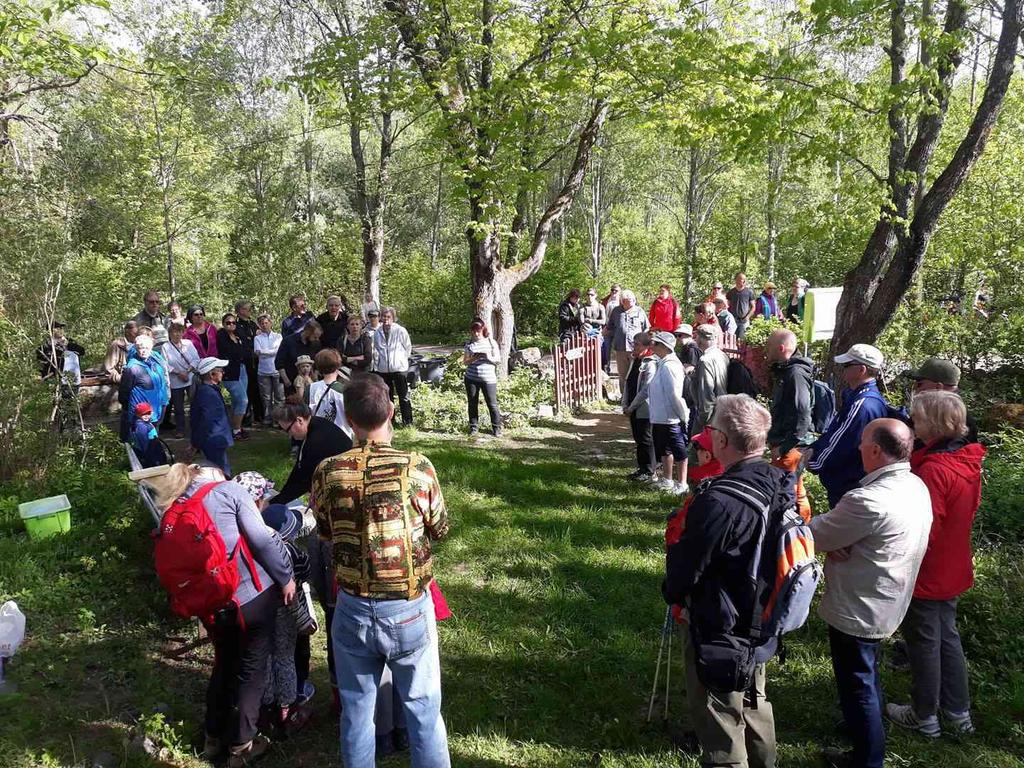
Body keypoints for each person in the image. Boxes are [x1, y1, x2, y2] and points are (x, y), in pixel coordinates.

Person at [310, 374, 451, 768]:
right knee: (423, 711)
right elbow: (440, 528)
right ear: (391, 411)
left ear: (349, 420)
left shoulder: (327, 470)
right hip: (407, 607)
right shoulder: (416, 467)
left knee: (356, 714)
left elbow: (324, 532)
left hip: (352, 607)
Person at [663, 395, 790, 768]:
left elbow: (687, 570)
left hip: (721, 622)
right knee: (754, 699)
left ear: (720, 438)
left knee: (719, 714)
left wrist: (673, 593)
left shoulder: (718, 500)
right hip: (762, 614)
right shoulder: (778, 479)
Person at [143, 463, 295, 767]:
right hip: (249, 598)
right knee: (252, 671)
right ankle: (241, 748)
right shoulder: (230, 492)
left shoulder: (175, 505)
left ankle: (213, 737)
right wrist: (286, 577)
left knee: (225, 663)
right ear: (214, 476)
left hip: (209, 601)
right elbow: (262, 540)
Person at [809, 419, 932, 768]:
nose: (858, 447)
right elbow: (844, 537)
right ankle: (863, 729)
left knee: (858, 684)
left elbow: (814, 534)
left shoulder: (868, 500)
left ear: (876, 450)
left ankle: (867, 758)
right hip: (888, 599)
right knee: (866, 674)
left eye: (862, 442)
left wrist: (832, 543)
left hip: (860, 607)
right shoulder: (914, 485)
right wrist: (840, 544)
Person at [885, 392, 984, 738]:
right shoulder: (966, 459)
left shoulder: (934, 469)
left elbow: (925, 524)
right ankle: (958, 712)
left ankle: (924, 714)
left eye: (918, 418)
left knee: (923, 641)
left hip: (929, 567)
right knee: (947, 637)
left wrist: (898, 559)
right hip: (954, 561)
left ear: (934, 423)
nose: (913, 423)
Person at [806, 344, 892, 507]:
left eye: (847, 365)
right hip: (849, 483)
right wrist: (815, 447)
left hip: (850, 484)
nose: (843, 369)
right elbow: (835, 431)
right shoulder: (859, 398)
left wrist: (814, 461)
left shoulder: (863, 404)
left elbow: (842, 442)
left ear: (862, 369)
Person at [765, 328, 814, 521]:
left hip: (791, 447)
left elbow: (803, 414)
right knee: (794, 487)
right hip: (785, 444)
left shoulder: (795, 374)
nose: (766, 351)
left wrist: (784, 448)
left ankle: (799, 531)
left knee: (790, 491)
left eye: (769, 346)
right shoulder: (786, 371)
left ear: (781, 348)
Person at [273, 402, 353, 506]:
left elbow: (303, 482)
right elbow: (300, 468)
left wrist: (273, 503)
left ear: (299, 420)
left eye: (288, 430)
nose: (289, 435)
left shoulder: (316, 441)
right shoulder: (314, 424)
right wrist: (280, 496)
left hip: (345, 489)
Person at [648, 331, 690, 492]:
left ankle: (682, 483)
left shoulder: (670, 365)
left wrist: (682, 416)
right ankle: (667, 479)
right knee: (664, 449)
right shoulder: (662, 363)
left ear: (664, 347)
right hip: (660, 417)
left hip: (671, 417)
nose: (652, 346)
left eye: (655, 344)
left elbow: (674, 394)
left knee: (678, 450)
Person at [905, 358, 979, 443]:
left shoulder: (964, 425)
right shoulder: (961, 419)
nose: (915, 389)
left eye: (919, 384)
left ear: (938, 387)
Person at [118, 334, 169, 443]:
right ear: (136, 349)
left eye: (146, 348)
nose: (143, 351)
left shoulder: (156, 363)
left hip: (157, 409)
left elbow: (162, 384)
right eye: (140, 348)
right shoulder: (132, 368)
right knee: (140, 442)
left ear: (151, 348)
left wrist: (164, 402)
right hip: (141, 414)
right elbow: (123, 394)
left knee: (154, 438)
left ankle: (154, 455)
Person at [622, 332, 658, 482]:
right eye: (633, 343)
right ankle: (642, 468)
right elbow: (628, 381)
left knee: (645, 438)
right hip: (632, 405)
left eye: (637, 344)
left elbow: (646, 389)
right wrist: (625, 403)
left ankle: (650, 470)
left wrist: (632, 406)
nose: (634, 346)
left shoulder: (650, 363)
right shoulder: (635, 360)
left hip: (644, 408)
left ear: (646, 346)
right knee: (638, 438)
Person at [190, 357, 235, 476]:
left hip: (214, 439)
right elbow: (208, 421)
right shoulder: (208, 393)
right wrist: (197, 442)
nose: (223, 372)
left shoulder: (208, 390)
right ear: (211, 374)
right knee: (221, 470)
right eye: (220, 370)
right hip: (214, 439)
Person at [374, 307, 414, 427]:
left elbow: (408, 347)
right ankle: (390, 421)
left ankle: (408, 422)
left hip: (399, 369)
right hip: (383, 370)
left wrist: (401, 361)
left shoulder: (400, 331)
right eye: (384, 317)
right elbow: (376, 349)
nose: (386, 319)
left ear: (393, 318)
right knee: (387, 397)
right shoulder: (377, 332)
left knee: (404, 396)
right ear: (380, 318)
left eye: (388, 317)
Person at [462, 319, 503, 437]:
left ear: (483, 330)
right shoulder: (469, 344)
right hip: (471, 378)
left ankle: (496, 428)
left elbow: (498, 359)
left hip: (488, 379)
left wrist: (487, 356)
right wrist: (474, 358)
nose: (476, 334)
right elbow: (465, 362)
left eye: (478, 331)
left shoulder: (491, 342)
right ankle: (473, 427)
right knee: (472, 403)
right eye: (474, 331)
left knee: (492, 404)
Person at [689, 324, 728, 436]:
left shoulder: (705, 360)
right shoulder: (722, 355)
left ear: (700, 339)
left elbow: (706, 392)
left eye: (696, 337)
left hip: (710, 417)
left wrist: (702, 421)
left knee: (696, 451)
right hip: (722, 411)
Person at [163, 322, 200, 439]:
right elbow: (164, 364)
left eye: (179, 331)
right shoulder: (166, 347)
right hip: (175, 381)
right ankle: (180, 429)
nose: (177, 334)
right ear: (170, 334)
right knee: (178, 408)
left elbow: (196, 359)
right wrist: (178, 373)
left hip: (190, 378)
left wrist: (187, 371)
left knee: (195, 404)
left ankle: (197, 427)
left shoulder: (188, 344)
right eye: (174, 332)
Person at [217, 313, 250, 441]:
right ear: (223, 324)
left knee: (237, 401)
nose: (231, 325)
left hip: (242, 369)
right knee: (243, 400)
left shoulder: (238, 335)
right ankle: (236, 430)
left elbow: (245, 350)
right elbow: (230, 351)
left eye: (233, 323)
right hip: (229, 371)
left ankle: (237, 427)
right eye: (228, 323)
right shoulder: (221, 336)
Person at [611, 290, 650, 394]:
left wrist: (643, 343)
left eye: (633, 300)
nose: (632, 302)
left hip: (636, 349)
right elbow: (610, 327)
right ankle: (624, 397)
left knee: (636, 372)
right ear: (623, 301)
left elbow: (647, 328)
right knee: (623, 374)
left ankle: (635, 395)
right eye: (629, 300)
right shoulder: (616, 311)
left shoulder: (639, 311)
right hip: (620, 348)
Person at [307, 349, 352, 438]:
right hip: (343, 437)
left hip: (318, 436)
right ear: (338, 366)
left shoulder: (310, 389)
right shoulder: (346, 391)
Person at [276, 320, 323, 395]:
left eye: (318, 337)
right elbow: (279, 362)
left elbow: (318, 361)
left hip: (310, 382)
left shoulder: (316, 343)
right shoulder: (288, 341)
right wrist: (286, 380)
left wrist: (316, 376)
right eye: (315, 337)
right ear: (307, 332)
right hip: (291, 382)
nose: (317, 339)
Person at [234, 301, 262, 426]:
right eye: (247, 309)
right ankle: (245, 415)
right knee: (245, 389)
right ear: (240, 310)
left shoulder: (252, 324)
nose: (249, 311)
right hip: (243, 361)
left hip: (255, 361)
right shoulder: (235, 324)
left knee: (256, 388)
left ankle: (258, 415)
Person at [254, 313, 284, 426]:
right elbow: (257, 352)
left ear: (270, 323)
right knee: (266, 397)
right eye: (262, 323)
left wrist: (264, 352)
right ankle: (268, 418)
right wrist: (271, 351)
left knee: (279, 397)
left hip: (276, 370)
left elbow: (279, 351)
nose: (264, 325)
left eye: (266, 323)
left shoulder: (278, 336)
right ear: (259, 325)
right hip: (263, 371)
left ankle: (278, 419)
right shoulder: (257, 338)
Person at [130, 402, 166, 468]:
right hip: (150, 451)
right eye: (143, 414)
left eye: (148, 413)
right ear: (138, 415)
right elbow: (144, 443)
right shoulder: (141, 426)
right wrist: (149, 457)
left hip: (153, 448)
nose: (146, 416)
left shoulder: (146, 422)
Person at [726, 273, 756, 338]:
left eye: (745, 279)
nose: (744, 281)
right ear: (736, 280)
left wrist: (748, 317)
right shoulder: (731, 292)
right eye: (742, 279)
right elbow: (726, 306)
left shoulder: (749, 292)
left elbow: (753, 307)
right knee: (731, 339)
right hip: (733, 320)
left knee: (743, 340)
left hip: (744, 321)